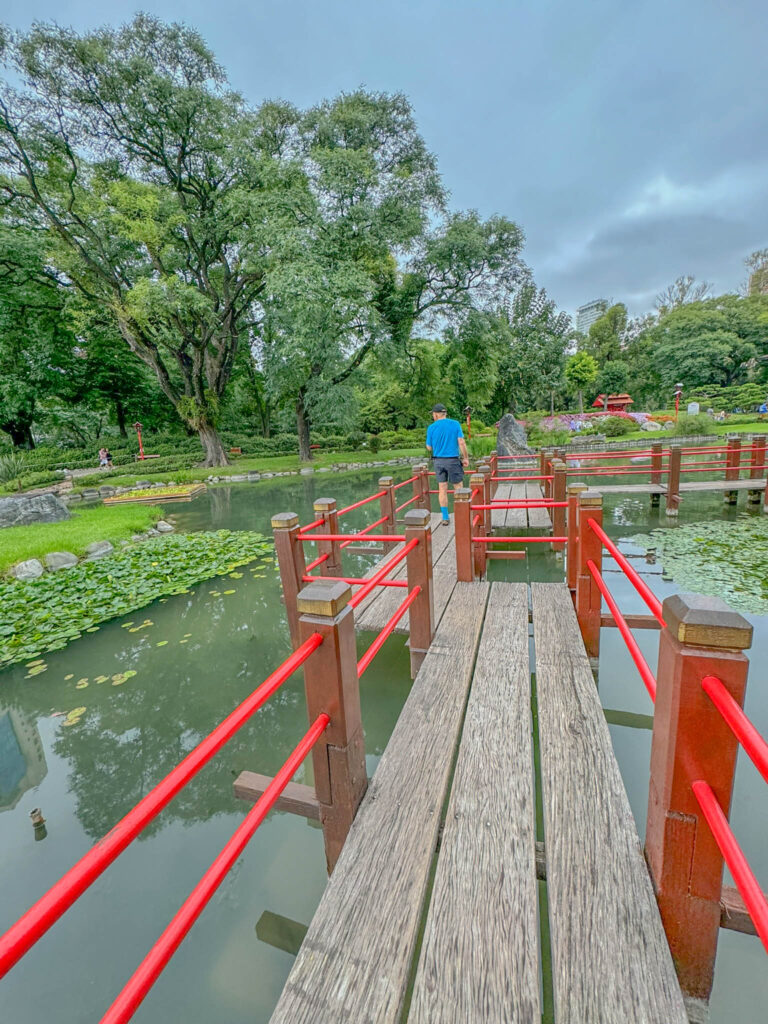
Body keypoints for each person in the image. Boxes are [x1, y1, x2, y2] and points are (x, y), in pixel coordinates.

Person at [425, 403, 469, 525]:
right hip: (453, 460)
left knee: (442, 488)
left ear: (436, 414)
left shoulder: (431, 428)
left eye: (433, 414)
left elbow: (429, 447)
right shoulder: (455, 424)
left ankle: (445, 517)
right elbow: (461, 442)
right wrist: (465, 458)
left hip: (438, 461)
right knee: (458, 487)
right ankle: (462, 516)